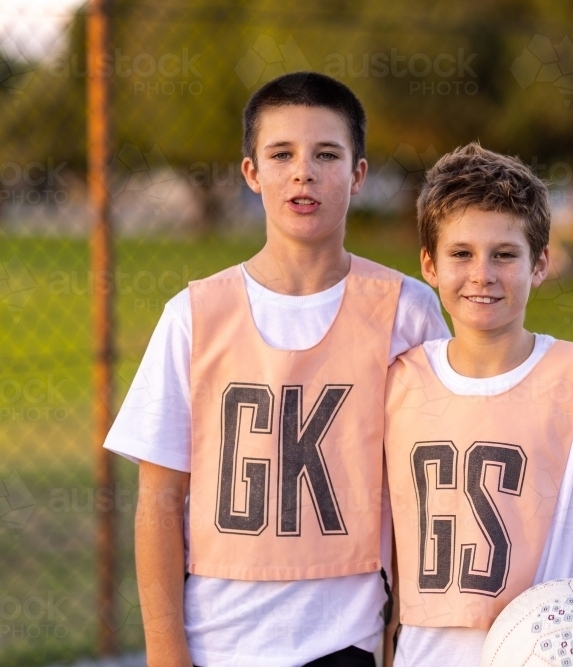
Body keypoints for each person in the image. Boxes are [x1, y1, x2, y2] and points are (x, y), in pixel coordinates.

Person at [104, 71, 449, 667]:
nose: (303, 172)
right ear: (251, 173)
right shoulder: (194, 315)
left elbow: (434, 489)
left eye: (327, 155)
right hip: (221, 642)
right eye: (281, 154)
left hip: (350, 642)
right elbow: (160, 498)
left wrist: (405, 638)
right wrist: (165, 652)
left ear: (359, 174)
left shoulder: (407, 310)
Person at [383, 143, 573, 667]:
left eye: (505, 254)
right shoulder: (398, 382)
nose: (482, 274)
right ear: (429, 265)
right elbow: (390, 537)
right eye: (461, 254)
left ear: (541, 263)